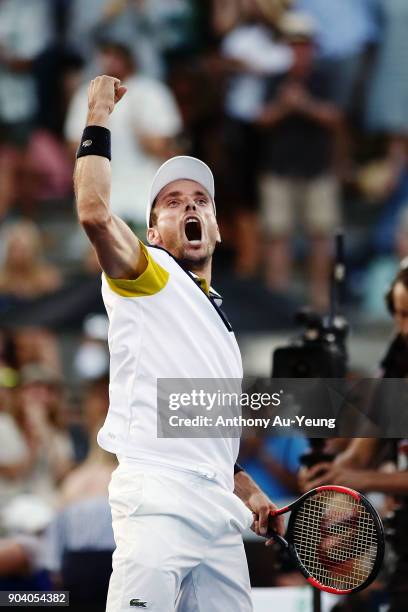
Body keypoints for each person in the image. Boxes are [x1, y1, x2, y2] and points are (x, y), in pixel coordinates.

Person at [74, 74, 284, 612]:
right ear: (154, 232)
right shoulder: (151, 273)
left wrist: (247, 487)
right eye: (172, 202)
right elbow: (94, 212)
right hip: (159, 502)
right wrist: (97, 115)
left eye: (200, 201)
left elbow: (200, 430)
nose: (190, 207)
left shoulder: (216, 321)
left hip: (218, 514)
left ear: (216, 229)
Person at [301, 262, 408, 612]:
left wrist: (356, 477)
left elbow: (359, 472)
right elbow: (359, 457)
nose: (404, 328)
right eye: (401, 315)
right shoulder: (395, 372)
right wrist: (327, 474)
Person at [257, 11, 344, 310]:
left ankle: (319, 297)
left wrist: (303, 105)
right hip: (279, 168)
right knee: (277, 235)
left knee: (320, 235)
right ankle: (276, 299)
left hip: (317, 168)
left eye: (303, 44)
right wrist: (285, 105)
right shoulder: (274, 79)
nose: (298, 50)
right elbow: (261, 120)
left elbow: (336, 117)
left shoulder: (325, 77)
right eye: (293, 44)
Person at [65, 40, 182, 233]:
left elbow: (167, 148)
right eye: (105, 56)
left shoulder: (152, 91)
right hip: (103, 189)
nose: (109, 62)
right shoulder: (87, 93)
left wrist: (143, 134)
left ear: (128, 59)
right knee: (98, 255)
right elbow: (73, 149)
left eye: (115, 56)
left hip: (147, 186)